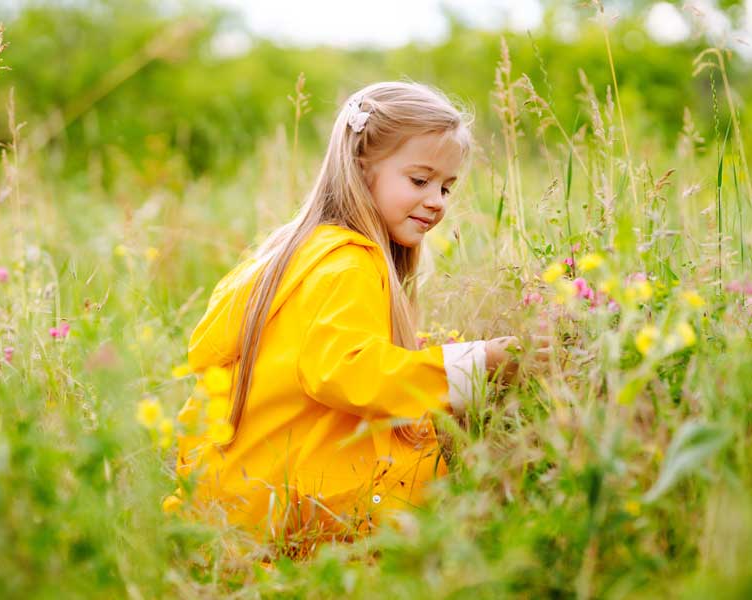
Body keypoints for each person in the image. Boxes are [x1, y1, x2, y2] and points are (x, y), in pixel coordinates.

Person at [173, 81, 547, 549]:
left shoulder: (298, 251)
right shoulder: (349, 262)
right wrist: (476, 363)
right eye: (419, 180)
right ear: (361, 167)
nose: (437, 201)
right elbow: (345, 369)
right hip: (293, 513)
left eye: (446, 186)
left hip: (246, 498)